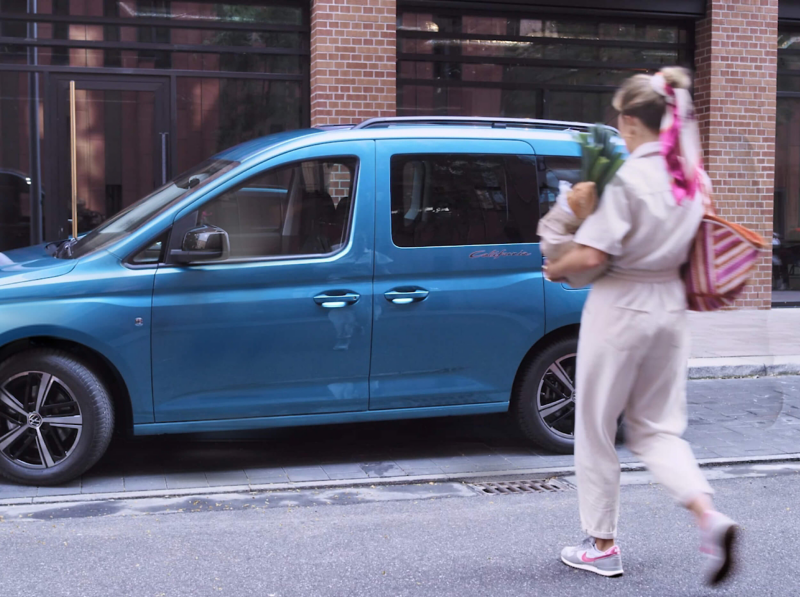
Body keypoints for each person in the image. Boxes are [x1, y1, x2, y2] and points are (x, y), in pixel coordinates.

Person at [544, 67, 739, 585]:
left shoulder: (628, 179)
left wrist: (554, 265)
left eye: (620, 120)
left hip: (621, 305)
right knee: (657, 430)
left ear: (630, 121)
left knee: (596, 429)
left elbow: (590, 253)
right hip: (669, 308)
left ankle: (603, 545)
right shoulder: (692, 178)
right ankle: (708, 515)